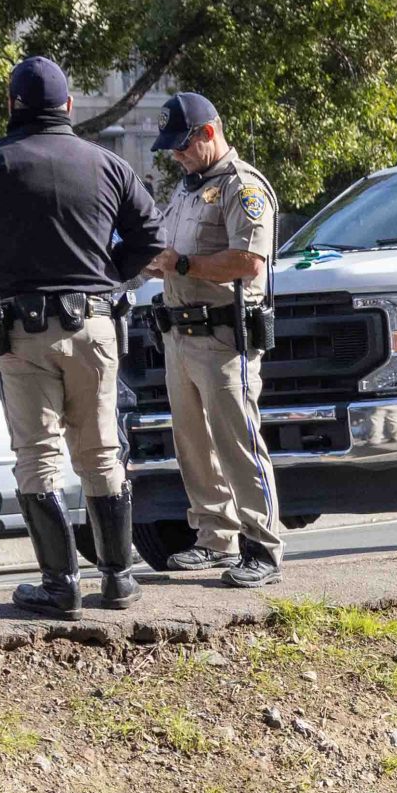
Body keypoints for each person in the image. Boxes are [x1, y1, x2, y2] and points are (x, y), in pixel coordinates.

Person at [0, 56, 156, 615]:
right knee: (102, 451)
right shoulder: (107, 165)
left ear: (11, 106)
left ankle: (60, 585)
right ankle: (118, 577)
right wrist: (107, 277)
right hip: (96, 324)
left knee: (37, 455)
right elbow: (149, 235)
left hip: (23, 330)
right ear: (69, 107)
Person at [142, 93, 285, 588]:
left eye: (182, 146)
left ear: (209, 133)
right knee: (192, 443)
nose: (175, 156)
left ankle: (263, 546)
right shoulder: (186, 190)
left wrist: (182, 264)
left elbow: (249, 263)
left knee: (237, 440)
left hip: (225, 334)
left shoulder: (242, 188)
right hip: (180, 332)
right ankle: (215, 535)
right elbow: (167, 248)